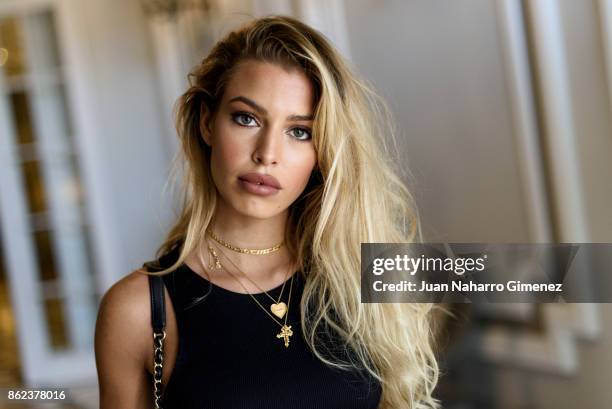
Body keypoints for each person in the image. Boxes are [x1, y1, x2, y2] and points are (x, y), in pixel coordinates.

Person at [94, 15, 441, 409]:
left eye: (299, 131)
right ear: (208, 123)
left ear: (323, 150)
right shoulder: (139, 311)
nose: (267, 154)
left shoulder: (356, 271)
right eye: (247, 118)